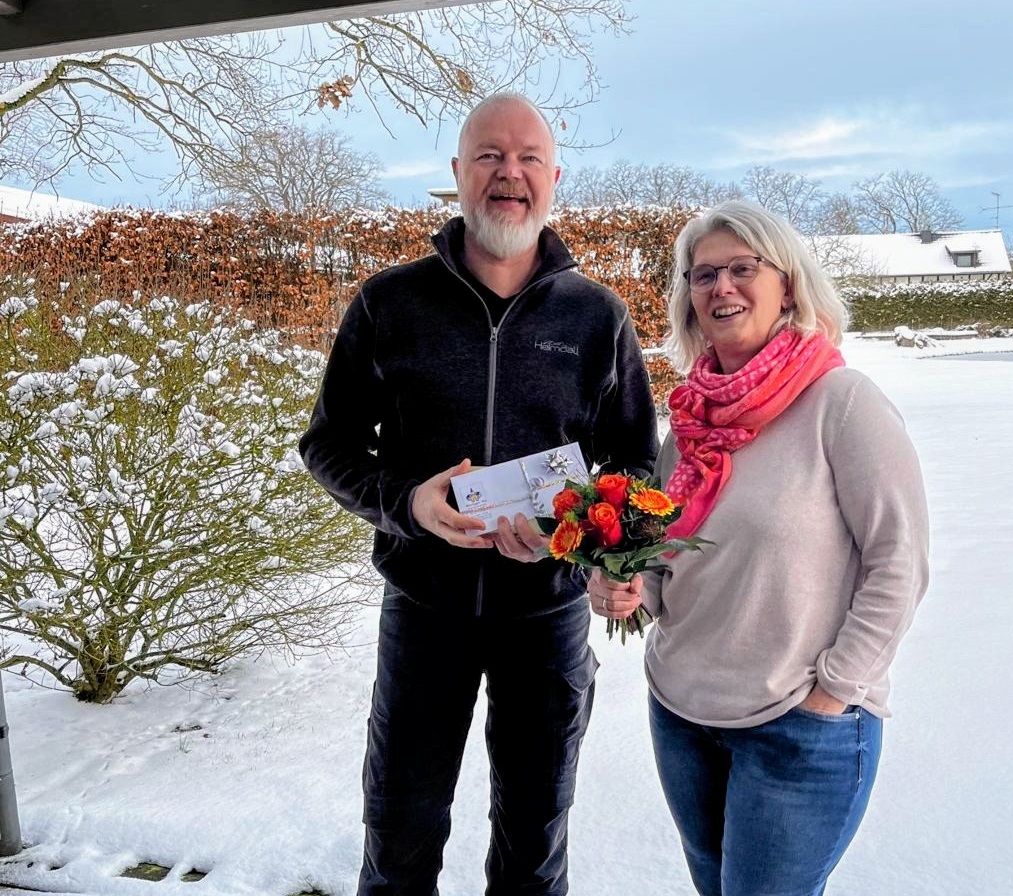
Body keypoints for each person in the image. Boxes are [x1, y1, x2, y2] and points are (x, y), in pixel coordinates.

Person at [299, 92, 659, 896]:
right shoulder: (389, 305)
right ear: (458, 175)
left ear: (555, 179)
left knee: (535, 832)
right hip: (425, 609)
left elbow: (635, 461)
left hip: (549, 615)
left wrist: (594, 545)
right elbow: (326, 444)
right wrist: (409, 503)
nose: (510, 173)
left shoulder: (597, 315)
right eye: (490, 156)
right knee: (400, 825)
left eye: (529, 157)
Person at [589, 200, 930, 896]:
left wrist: (832, 693)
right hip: (682, 717)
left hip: (797, 728)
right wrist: (627, 590)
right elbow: (663, 553)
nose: (721, 287)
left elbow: (899, 562)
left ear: (789, 284)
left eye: (743, 268)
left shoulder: (842, 403)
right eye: (703, 274)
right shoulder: (689, 422)